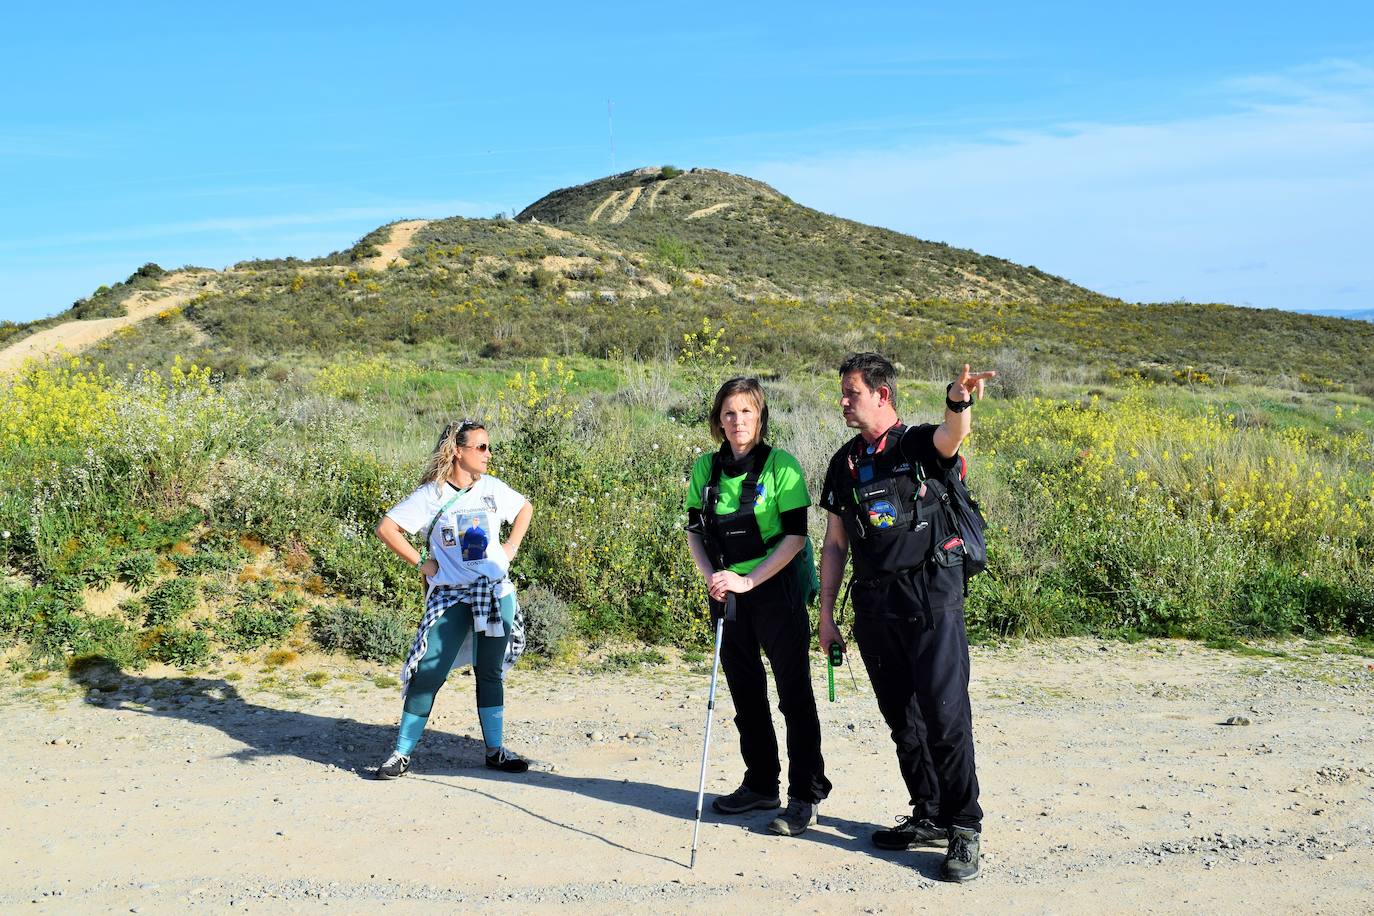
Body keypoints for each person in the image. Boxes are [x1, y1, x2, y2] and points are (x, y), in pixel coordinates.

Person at [817, 353, 995, 883]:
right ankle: (929, 813)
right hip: (875, 606)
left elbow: (952, 436)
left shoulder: (917, 443)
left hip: (931, 596)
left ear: (882, 395)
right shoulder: (844, 462)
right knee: (904, 720)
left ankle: (964, 826)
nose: (844, 402)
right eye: (843, 393)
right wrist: (826, 617)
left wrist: (958, 400)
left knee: (945, 716)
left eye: (852, 392)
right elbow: (833, 544)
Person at [685, 377, 832, 836]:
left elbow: (795, 538)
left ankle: (804, 794)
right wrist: (712, 576)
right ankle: (760, 782)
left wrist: (749, 580)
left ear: (760, 417)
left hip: (774, 590)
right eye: (729, 413)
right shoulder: (704, 471)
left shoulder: (781, 467)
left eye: (746, 412)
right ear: (718, 421)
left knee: (794, 696)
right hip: (726, 593)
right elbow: (694, 532)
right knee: (746, 693)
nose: (737, 421)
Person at [373, 419, 534, 778]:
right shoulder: (431, 495)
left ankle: (495, 751)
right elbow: (387, 528)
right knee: (428, 671)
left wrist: (510, 547)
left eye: (488, 447)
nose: (488, 454)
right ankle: (400, 754)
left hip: (493, 593)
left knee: (490, 674)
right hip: (452, 597)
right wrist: (422, 564)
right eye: (481, 447)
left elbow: (525, 508)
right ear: (457, 451)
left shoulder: (492, 488)